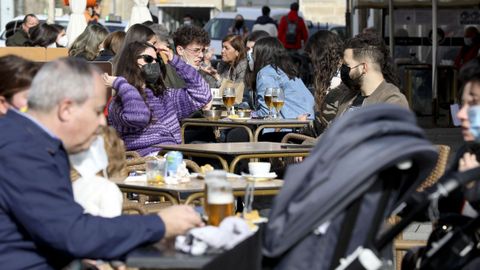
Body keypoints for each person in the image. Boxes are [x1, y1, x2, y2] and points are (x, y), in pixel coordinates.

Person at [0, 57, 203, 269]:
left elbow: (54, 230)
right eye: (97, 111)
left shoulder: (26, 139)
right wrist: (160, 224)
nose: (101, 122)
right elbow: (73, 234)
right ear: (66, 109)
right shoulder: (22, 149)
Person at [106, 42, 211, 156]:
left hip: (172, 158)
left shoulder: (164, 96)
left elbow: (203, 94)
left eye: (157, 60)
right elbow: (138, 117)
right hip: (143, 162)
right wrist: (123, 85)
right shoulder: (119, 102)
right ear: (131, 62)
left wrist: (174, 60)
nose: (154, 63)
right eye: (148, 59)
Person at [336, 32, 408, 116]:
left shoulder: (393, 102)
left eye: (347, 65)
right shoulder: (348, 98)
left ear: (363, 67)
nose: (343, 68)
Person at [249, 36, 314, 120]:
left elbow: (268, 111)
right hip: (308, 123)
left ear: (261, 55)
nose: (252, 57)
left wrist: (249, 114)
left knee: (236, 132)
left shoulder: (266, 73)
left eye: (254, 53)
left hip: (289, 127)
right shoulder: (287, 70)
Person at [303, 30, 351, 136]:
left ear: (320, 55)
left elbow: (326, 121)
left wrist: (305, 124)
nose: (311, 62)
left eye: (311, 56)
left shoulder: (336, 81)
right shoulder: (339, 73)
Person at [204, 34, 247, 105]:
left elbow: (237, 93)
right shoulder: (224, 63)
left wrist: (218, 78)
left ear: (237, 52)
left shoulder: (243, 66)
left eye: (226, 48)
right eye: (222, 47)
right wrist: (207, 63)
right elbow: (214, 88)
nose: (222, 51)